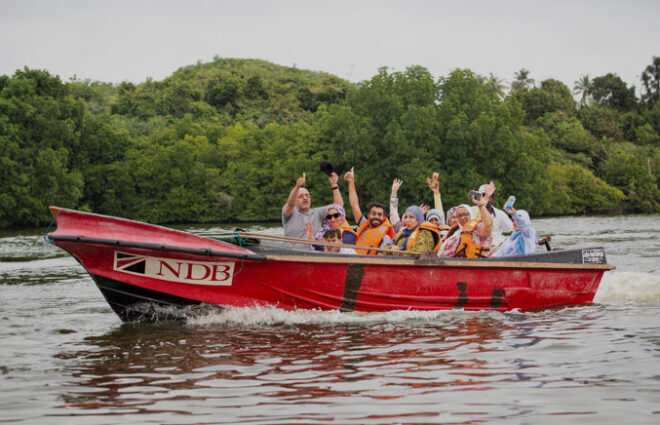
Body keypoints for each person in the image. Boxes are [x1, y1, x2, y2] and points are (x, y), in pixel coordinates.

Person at [344, 167, 395, 255]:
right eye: (374, 213)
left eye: (379, 214)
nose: (376, 216)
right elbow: (354, 205)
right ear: (368, 215)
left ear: (383, 217)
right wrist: (351, 182)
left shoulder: (386, 238)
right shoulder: (363, 224)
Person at [439, 182, 495, 258]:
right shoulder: (452, 235)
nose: (462, 218)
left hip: (476, 266)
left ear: (471, 214)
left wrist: (482, 204)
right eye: (459, 216)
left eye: (465, 214)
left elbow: (488, 226)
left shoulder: (478, 229)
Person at [282, 171, 343, 239]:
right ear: (295, 200)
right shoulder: (290, 212)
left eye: (307, 195)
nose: (305, 198)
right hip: (291, 249)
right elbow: (290, 204)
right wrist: (297, 186)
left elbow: (338, 206)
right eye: (300, 196)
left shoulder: (318, 213)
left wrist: (334, 185)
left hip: (312, 249)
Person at [470, 183, 514, 247]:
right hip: (479, 245)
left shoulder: (500, 214)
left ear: (493, 199)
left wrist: (511, 215)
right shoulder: (471, 211)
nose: (485, 197)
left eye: (488, 195)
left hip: (499, 244)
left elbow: (511, 228)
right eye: (483, 195)